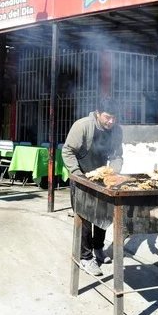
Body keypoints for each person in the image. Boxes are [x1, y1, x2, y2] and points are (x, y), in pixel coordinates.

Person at [62, 96, 123, 276]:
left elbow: (117, 156)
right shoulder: (82, 126)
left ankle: (98, 248)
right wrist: (77, 174)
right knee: (86, 219)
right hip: (81, 177)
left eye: (114, 118)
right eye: (107, 117)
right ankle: (86, 258)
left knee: (103, 216)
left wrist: (113, 172)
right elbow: (67, 151)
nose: (111, 121)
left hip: (102, 179)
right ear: (98, 113)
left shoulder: (117, 131)